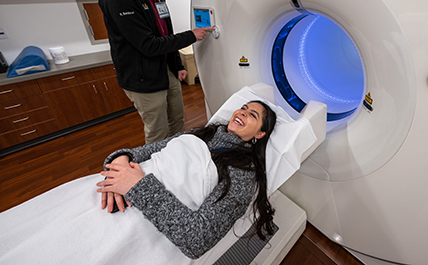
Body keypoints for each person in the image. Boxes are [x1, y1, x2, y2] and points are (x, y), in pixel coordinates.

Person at [0, 101, 277, 264]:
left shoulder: (243, 173)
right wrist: (119, 161)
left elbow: (197, 239)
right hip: (112, 185)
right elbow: (144, 151)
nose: (241, 112)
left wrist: (136, 185)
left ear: (260, 134)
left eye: (252, 115)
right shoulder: (201, 132)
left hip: (139, 215)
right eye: (243, 107)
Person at [99, 0, 213, 144]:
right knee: (157, 132)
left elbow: (165, 30)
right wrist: (191, 35)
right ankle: (157, 171)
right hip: (142, 76)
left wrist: (177, 64)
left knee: (177, 119)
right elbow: (148, 45)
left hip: (165, 69)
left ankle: (175, 158)